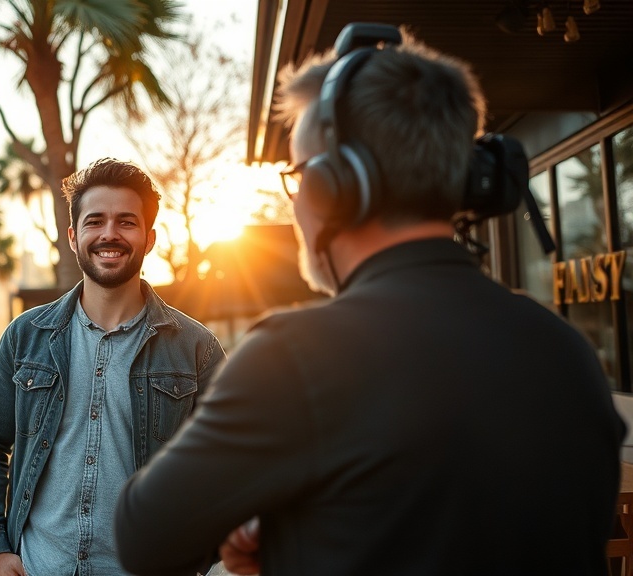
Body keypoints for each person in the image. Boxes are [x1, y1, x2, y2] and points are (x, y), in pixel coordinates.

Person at [114, 24, 627, 576]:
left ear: (339, 183)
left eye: (299, 174)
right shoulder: (568, 353)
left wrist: (285, 536)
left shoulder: (296, 358)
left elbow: (143, 540)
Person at [0, 158, 225, 576]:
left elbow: (226, 468)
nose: (109, 234)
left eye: (126, 222)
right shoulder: (24, 336)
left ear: (149, 237)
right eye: (95, 221)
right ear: (73, 236)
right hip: (40, 567)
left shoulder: (197, 348)